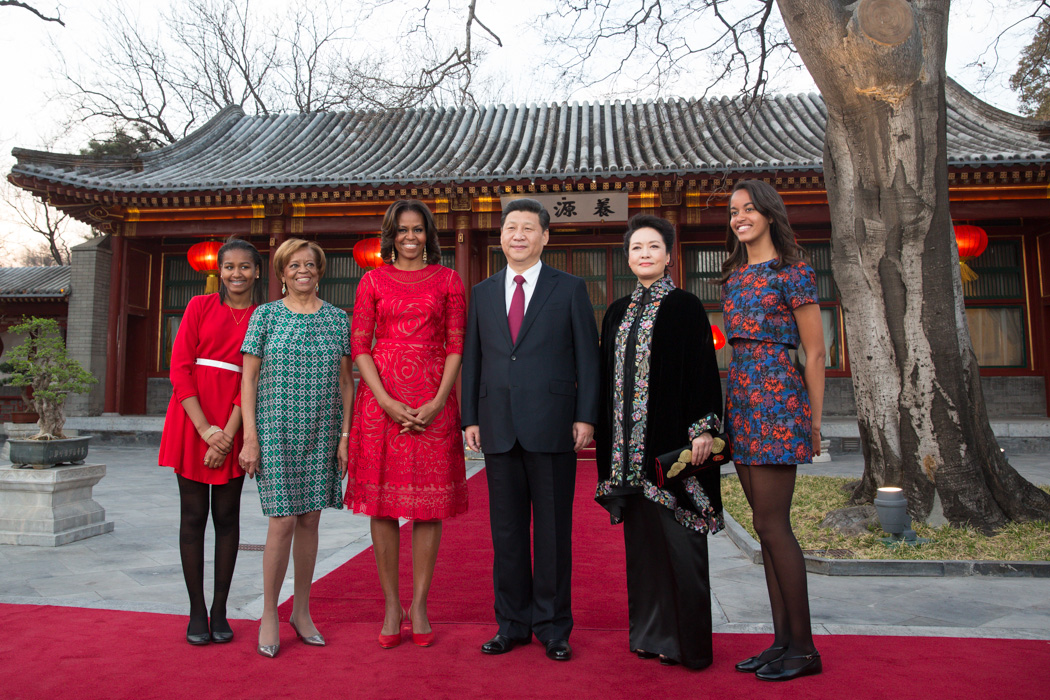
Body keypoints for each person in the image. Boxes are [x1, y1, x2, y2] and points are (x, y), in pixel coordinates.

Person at [461, 197, 600, 662]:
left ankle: (554, 627)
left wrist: (585, 416)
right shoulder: (481, 292)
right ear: (501, 236)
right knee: (507, 535)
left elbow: (588, 357)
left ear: (545, 237)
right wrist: (470, 418)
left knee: (554, 535)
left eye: (527, 228)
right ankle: (512, 624)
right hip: (498, 426)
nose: (517, 235)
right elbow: (474, 360)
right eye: (510, 228)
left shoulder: (569, 288)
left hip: (554, 425)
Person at [594, 214, 724, 670]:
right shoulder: (615, 313)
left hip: (673, 448)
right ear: (627, 256)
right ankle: (651, 636)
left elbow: (704, 371)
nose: (644, 254)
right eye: (636, 248)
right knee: (644, 551)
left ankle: (689, 645)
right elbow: (604, 381)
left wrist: (704, 428)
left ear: (669, 255)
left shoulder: (686, 307)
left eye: (653, 247)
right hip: (627, 453)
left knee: (682, 545)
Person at [344, 200, 469, 649]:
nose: (410, 237)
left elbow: (456, 344)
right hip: (381, 403)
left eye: (418, 230)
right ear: (391, 235)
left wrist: (439, 402)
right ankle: (391, 603)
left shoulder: (449, 280)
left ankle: (419, 603)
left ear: (428, 234)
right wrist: (383, 399)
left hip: (433, 401)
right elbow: (360, 345)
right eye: (402, 230)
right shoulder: (372, 280)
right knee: (382, 504)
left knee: (427, 506)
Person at [721, 179, 825, 682]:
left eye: (748, 209)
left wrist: (815, 420)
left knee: (775, 524)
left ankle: (804, 647)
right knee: (763, 527)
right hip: (741, 396)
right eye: (734, 211)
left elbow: (816, 353)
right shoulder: (734, 276)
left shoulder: (795, 273)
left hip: (778, 399)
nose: (740, 217)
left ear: (768, 214)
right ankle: (781, 640)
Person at [238, 238, 353, 659]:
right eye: (293, 265)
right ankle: (270, 612)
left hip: (322, 431)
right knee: (282, 522)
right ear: (282, 273)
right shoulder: (265, 316)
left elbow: (346, 383)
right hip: (275, 430)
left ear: (319, 271)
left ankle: (301, 612)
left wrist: (345, 437)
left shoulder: (338, 320)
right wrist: (250, 437)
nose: (302, 270)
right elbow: (247, 381)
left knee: (310, 521)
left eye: (310, 264)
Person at [159, 237, 265, 646]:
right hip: (192, 416)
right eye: (229, 267)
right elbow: (180, 368)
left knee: (226, 518)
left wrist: (228, 434)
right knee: (192, 518)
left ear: (257, 271)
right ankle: (196, 610)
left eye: (245, 266)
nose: (236, 273)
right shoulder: (198, 307)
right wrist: (206, 430)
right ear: (218, 272)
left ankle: (220, 608)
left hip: (236, 418)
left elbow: (252, 379)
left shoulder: (263, 316)